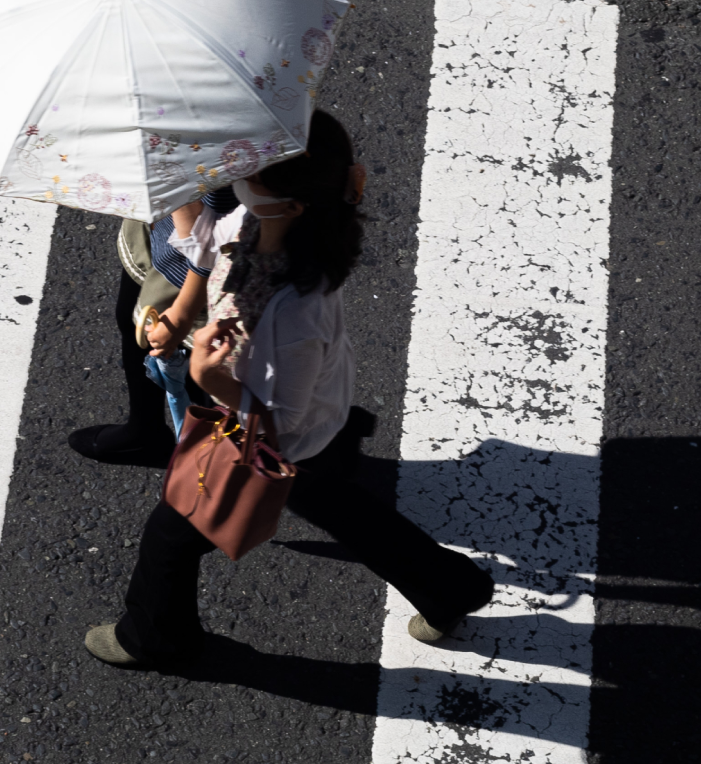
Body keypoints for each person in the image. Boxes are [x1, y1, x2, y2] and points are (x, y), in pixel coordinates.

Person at [83, 110, 495, 667]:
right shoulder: (263, 224)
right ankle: (450, 587)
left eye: (250, 170)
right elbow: (206, 245)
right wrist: (173, 185)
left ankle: (154, 637)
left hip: (278, 438)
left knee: (171, 536)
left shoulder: (298, 311)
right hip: (313, 430)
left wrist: (210, 378)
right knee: (340, 506)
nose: (235, 172)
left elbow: (282, 421)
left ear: (291, 203)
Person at [68, 187, 238, 467]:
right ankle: (145, 429)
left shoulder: (226, 173)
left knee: (203, 366)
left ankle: (206, 466)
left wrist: (182, 313)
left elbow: (207, 239)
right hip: (163, 224)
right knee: (130, 318)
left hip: (197, 268)